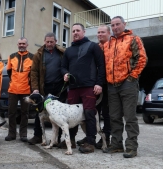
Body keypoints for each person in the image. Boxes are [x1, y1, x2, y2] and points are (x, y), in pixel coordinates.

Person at [103, 16, 147, 158]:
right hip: (112, 85)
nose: (115, 27)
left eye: (117, 24)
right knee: (114, 116)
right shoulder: (107, 44)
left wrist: (132, 77)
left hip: (127, 84)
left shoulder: (133, 39)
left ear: (124, 24)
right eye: (113, 25)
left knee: (130, 117)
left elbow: (142, 58)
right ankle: (116, 144)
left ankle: (131, 147)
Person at [61, 23, 105, 154]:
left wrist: (99, 83)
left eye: (78, 30)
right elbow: (63, 67)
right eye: (73, 30)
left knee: (89, 113)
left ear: (84, 32)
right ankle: (72, 140)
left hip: (89, 86)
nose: (75, 32)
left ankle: (90, 142)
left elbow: (101, 66)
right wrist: (65, 74)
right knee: (71, 115)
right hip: (73, 88)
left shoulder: (93, 46)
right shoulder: (68, 50)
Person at [28, 32, 67, 146]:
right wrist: (35, 88)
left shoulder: (62, 53)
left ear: (56, 41)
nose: (49, 44)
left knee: (59, 114)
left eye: (52, 42)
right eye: (47, 41)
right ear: (44, 41)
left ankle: (57, 139)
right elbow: (34, 72)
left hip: (59, 88)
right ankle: (37, 136)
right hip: (44, 88)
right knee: (39, 112)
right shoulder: (38, 54)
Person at [76, 25, 112, 149]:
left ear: (108, 33)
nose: (100, 34)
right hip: (95, 85)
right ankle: (90, 136)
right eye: (98, 32)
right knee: (91, 112)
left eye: (102, 32)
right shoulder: (95, 47)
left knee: (106, 113)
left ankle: (106, 138)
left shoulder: (112, 46)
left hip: (108, 84)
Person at [4, 37, 33, 142]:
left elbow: (33, 74)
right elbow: (9, 71)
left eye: (23, 43)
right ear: (17, 45)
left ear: (27, 45)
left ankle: (23, 134)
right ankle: (11, 134)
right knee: (11, 113)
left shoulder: (32, 57)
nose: (21, 45)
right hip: (13, 90)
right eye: (20, 43)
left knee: (25, 113)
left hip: (26, 90)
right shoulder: (11, 56)